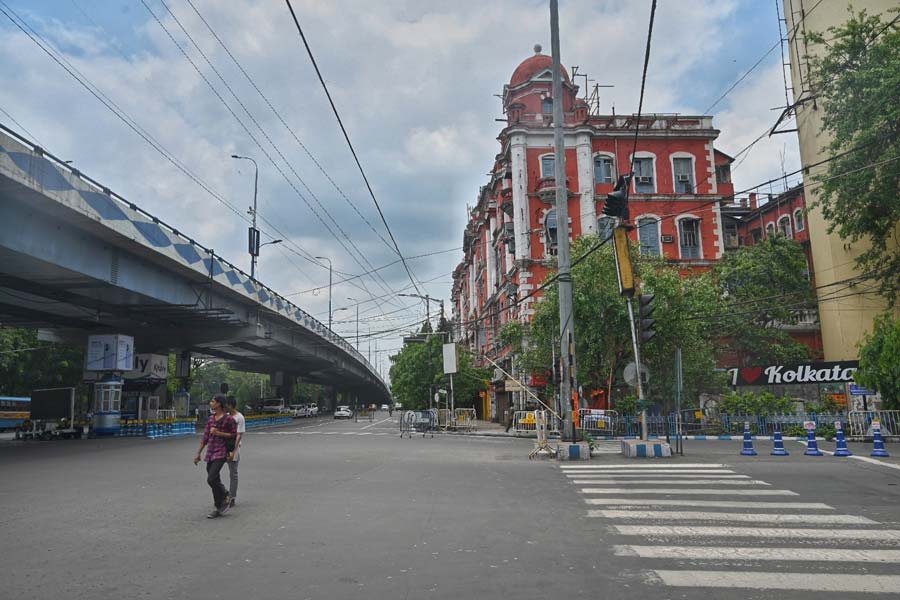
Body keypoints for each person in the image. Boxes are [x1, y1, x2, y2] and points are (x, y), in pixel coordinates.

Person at [193, 394, 237, 518]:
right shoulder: (211, 419)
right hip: (210, 452)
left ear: (219, 404)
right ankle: (219, 506)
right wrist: (198, 453)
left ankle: (225, 495)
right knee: (214, 480)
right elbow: (205, 437)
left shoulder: (229, 419)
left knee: (211, 479)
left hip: (221, 452)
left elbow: (234, 435)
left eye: (213, 401)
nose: (211, 403)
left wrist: (219, 433)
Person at [225, 395, 245, 508]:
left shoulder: (239, 418)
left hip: (234, 448)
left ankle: (232, 497)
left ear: (231, 405)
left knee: (233, 473)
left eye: (227, 405)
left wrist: (233, 451)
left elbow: (239, 435)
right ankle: (223, 494)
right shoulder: (226, 416)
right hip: (223, 447)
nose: (225, 407)